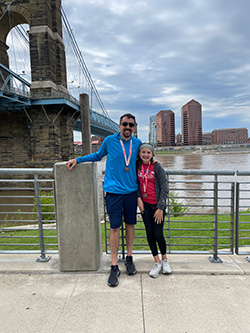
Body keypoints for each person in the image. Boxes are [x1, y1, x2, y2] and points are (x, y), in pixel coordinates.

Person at [66, 114, 142, 287]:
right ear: (119, 126)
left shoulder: (137, 144)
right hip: (113, 192)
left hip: (131, 191)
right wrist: (77, 159)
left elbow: (146, 162)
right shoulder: (109, 140)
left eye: (131, 124)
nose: (127, 127)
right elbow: (97, 156)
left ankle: (129, 258)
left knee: (130, 225)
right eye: (124, 124)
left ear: (135, 127)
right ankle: (114, 266)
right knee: (115, 228)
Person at [137, 143, 172, 278]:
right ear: (140, 154)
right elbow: (136, 184)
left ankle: (165, 260)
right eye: (143, 152)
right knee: (150, 234)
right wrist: (138, 198)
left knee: (158, 234)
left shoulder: (157, 167)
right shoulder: (137, 167)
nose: (145, 155)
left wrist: (160, 208)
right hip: (145, 206)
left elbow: (164, 187)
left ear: (152, 154)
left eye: (148, 152)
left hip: (157, 206)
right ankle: (156, 262)